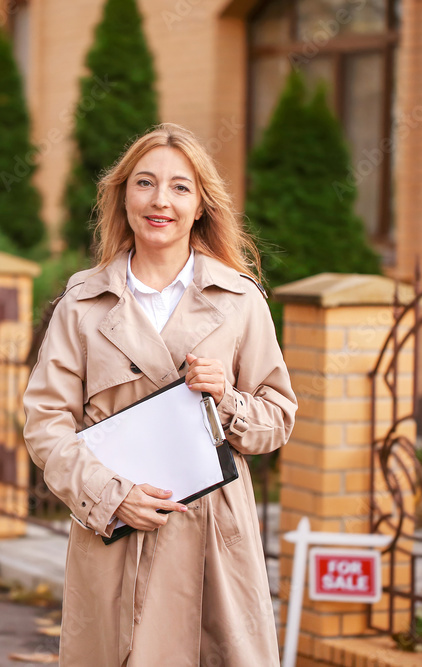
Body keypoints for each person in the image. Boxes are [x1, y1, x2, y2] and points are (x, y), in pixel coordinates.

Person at [23, 123, 298, 666]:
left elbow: (279, 416)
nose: (160, 201)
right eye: (145, 183)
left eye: (180, 187)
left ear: (200, 206)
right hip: (117, 530)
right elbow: (45, 422)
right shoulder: (82, 301)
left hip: (214, 539)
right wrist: (109, 494)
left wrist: (228, 400)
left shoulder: (240, 299)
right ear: (123, 194)